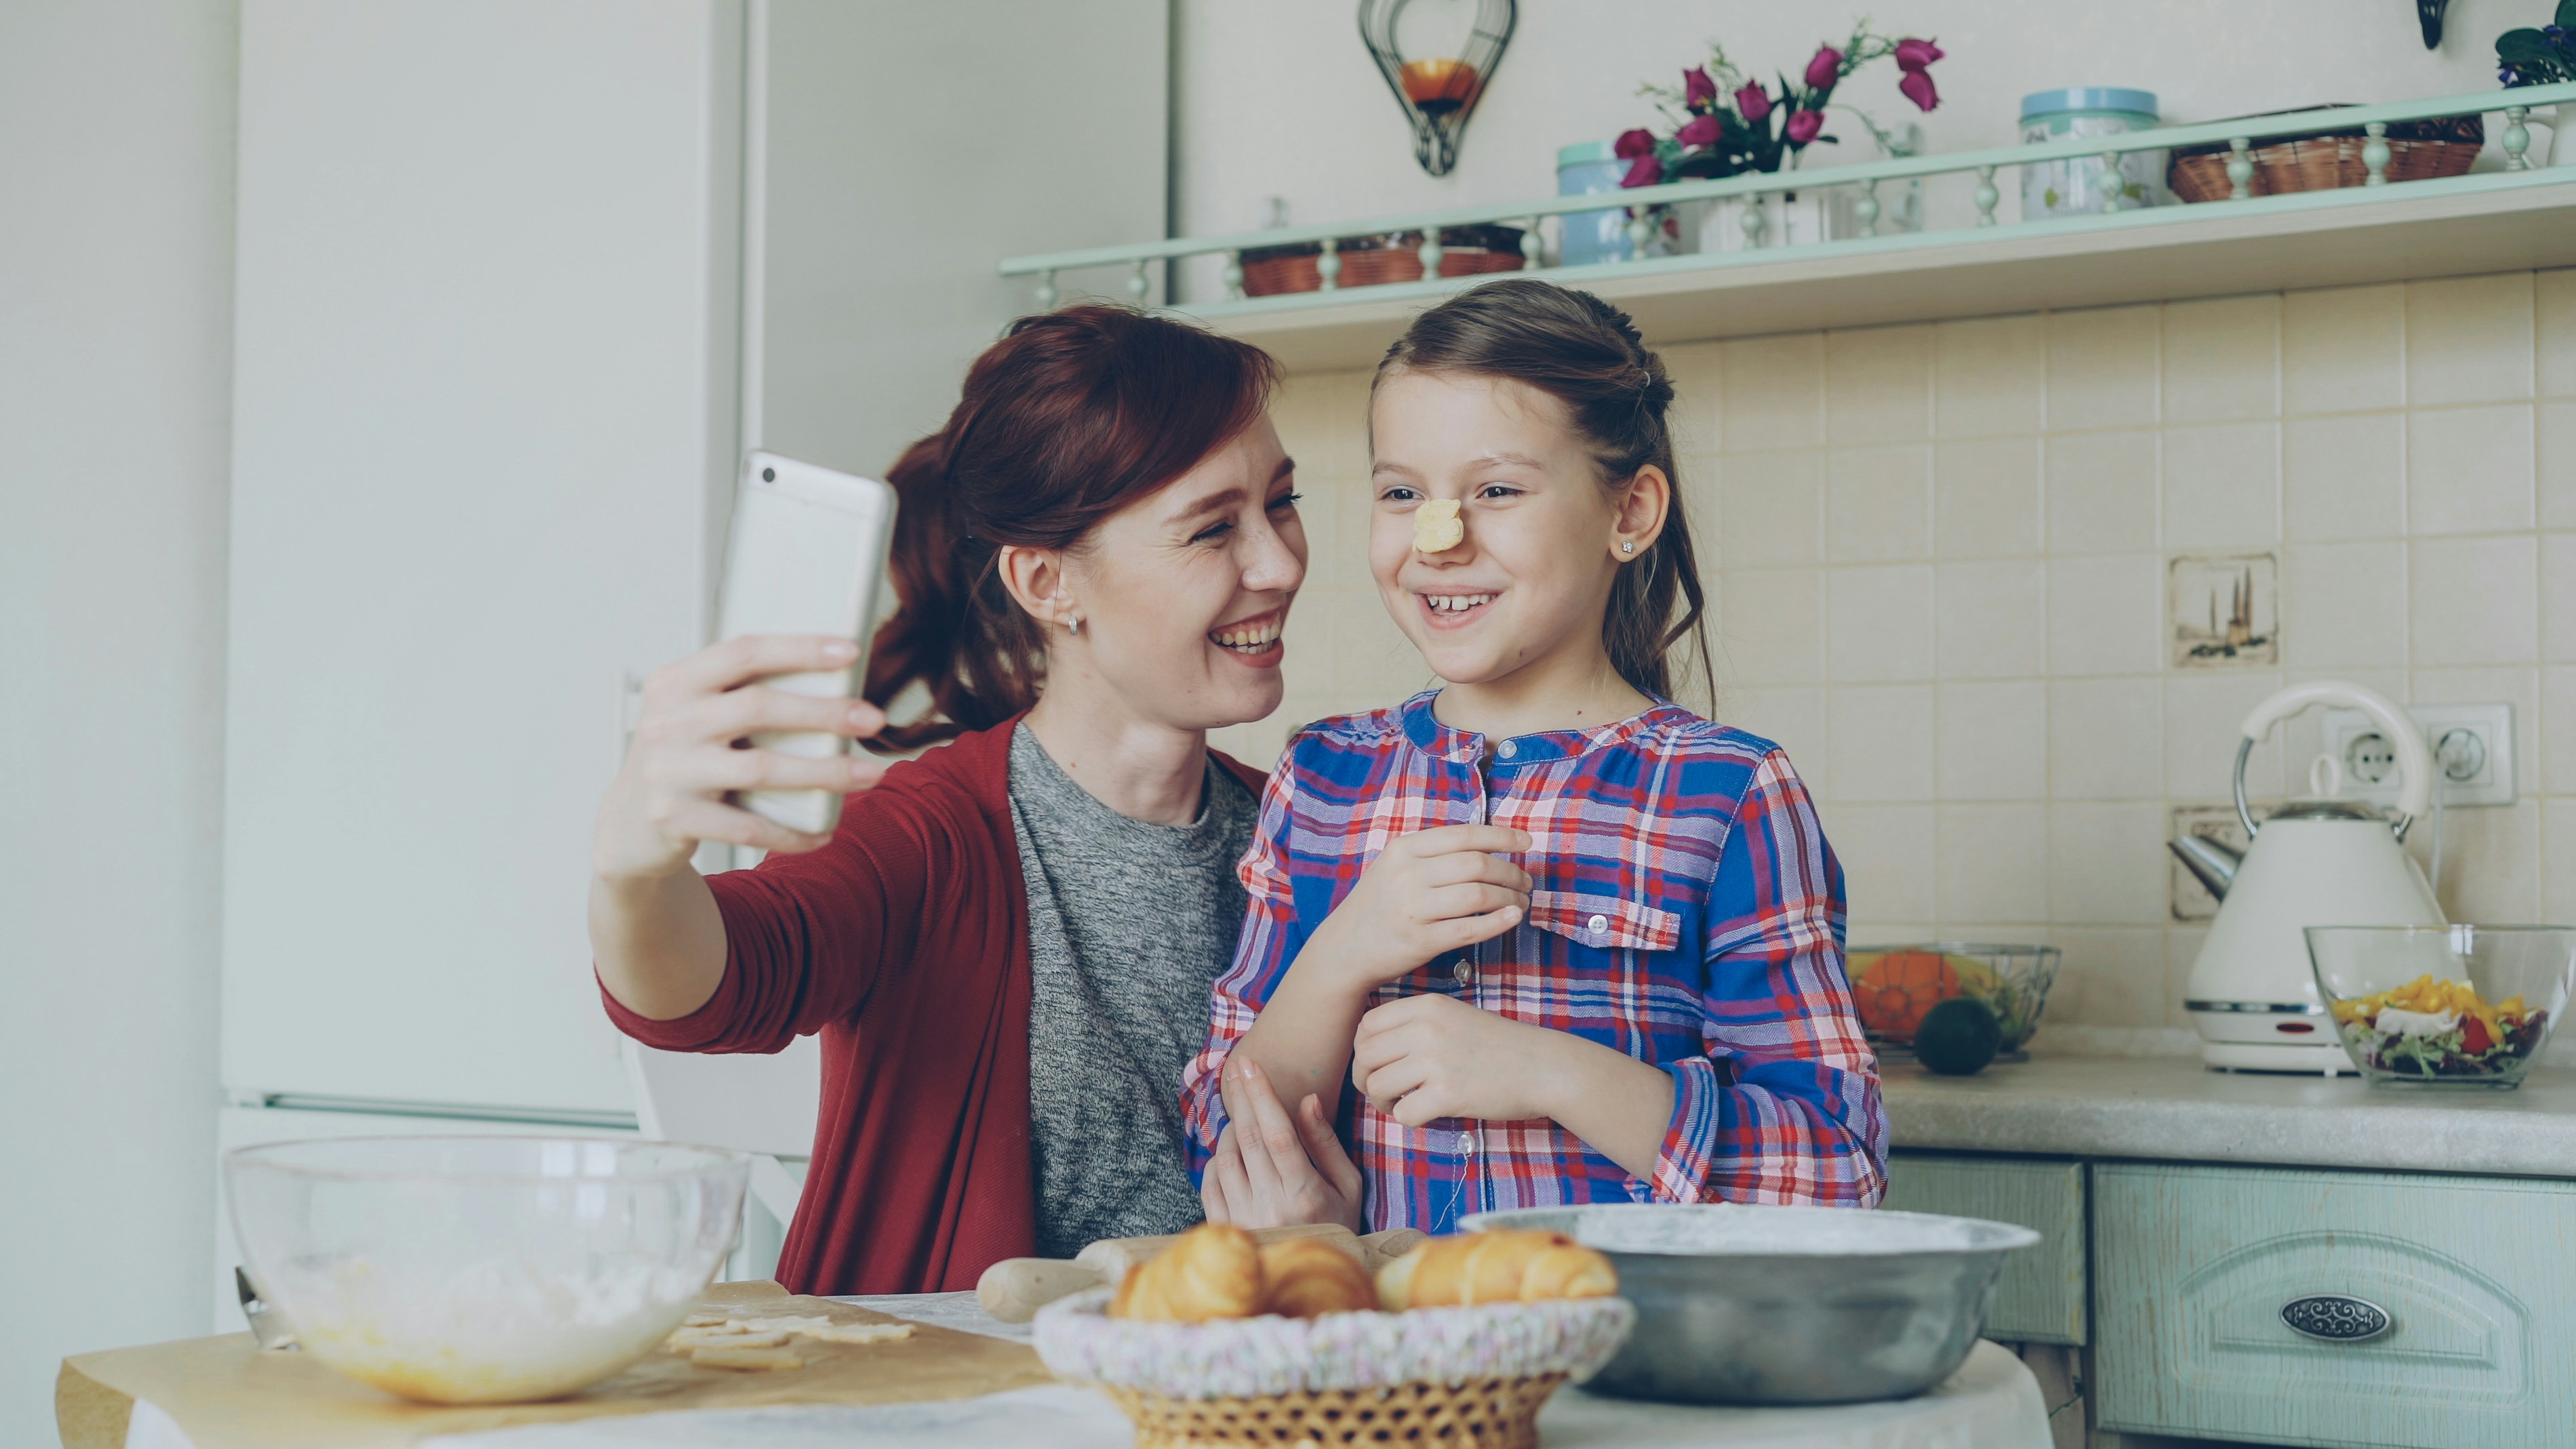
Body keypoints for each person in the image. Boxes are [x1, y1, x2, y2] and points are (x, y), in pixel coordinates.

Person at [588, 305, 1343, 1294]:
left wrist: (1332, 1238)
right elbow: (707, 987)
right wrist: (632, 866)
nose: (1280, 564)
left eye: (1280, 503)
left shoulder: (1312, 834)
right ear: (1046, 580)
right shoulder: (934, 835)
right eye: (1212, 529)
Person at [1184, 279, 1887, 1235]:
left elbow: (1838, 1173)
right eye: (1403, 493)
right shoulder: (1322, 778)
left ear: (1630, 512)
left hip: (1624, 1364)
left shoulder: (1727, 793)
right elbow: (1222, 1142)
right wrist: (1346, 948)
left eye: (1498, 490)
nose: (1440, 538)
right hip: (1390, 1370)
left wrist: (1550, 1071)